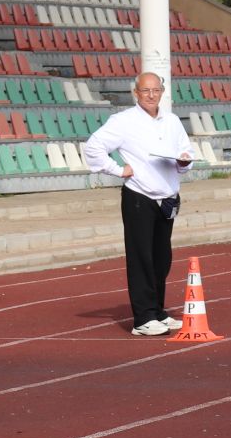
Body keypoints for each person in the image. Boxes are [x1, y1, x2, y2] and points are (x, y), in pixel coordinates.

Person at [83, 70, 194, 335]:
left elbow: (185, 150)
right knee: (141, 257)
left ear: (162, 92)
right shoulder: (123, 121)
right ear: (136, 93)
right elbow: (93, 147)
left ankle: (157, 311)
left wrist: (184, 162)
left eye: (155, 90)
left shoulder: (172, 121)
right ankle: (143, 319)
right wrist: (117, 169)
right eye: (145, 91)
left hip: (167, 197)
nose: (151, 95)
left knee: (161, 258)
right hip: (139, 197)